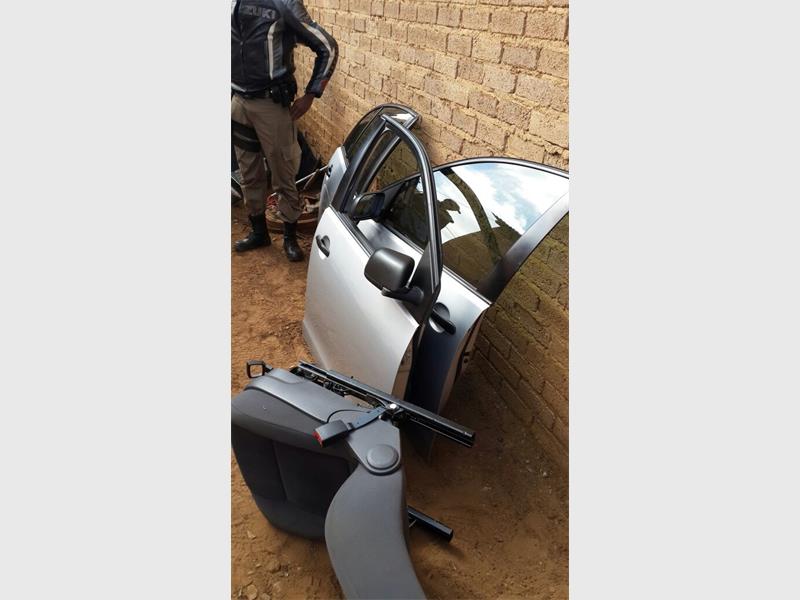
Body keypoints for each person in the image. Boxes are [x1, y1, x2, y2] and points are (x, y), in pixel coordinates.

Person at [231, 0, 337, 261]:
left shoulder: (285, 4)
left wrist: (311, 94)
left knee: (283, 173)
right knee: (249, 173)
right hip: (239, 102)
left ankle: (290, 237)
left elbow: (327, 47)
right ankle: (259, 232)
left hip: (271, 105)